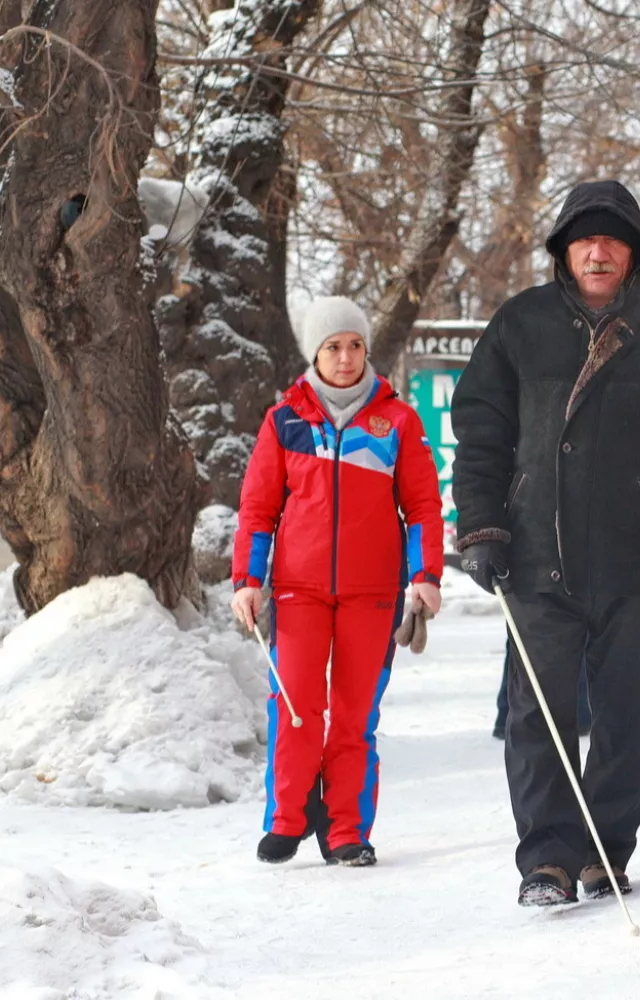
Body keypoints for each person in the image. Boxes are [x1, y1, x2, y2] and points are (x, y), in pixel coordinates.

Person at [451, 180, 640, 906]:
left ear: (633, 252)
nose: (598, 251)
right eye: (584, 239)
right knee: (538, 713)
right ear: (564, 252)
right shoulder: (520, 324)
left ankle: (606, 849)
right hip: (538, 556)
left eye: (612, 239)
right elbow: (481, 434)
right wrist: (481, 526)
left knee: (628, 717)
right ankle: (545, 859)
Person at [231, 296, 444, 868]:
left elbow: (423, 505)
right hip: (299, 591)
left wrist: (425, 577)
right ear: (315, 353)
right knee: (297, 705)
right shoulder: (285, 422)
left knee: (354, 715)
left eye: (354, 345)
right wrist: (249, 580)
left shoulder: (396, 421)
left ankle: (346, 828)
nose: (345, 357)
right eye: (333, 347)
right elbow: (257, 510)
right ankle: (289, 816)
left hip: (373, 593)